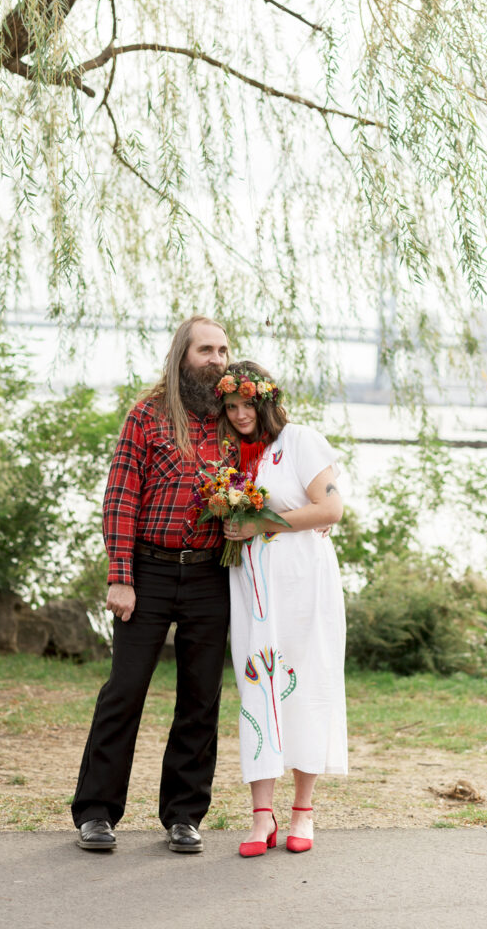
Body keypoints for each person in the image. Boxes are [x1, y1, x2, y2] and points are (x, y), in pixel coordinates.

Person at [71, 316, 231, 854]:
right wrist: (120, 577)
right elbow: (120, 498)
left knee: (200, 697)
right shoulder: (147, 414)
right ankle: (96, 813)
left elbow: (276, 472)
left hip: (212, 574)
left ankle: (184, 814)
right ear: (181, 356)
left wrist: (311, 510)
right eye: (206, 349)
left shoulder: (234, 420)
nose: (217, 359)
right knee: (125, 690)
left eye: (224, 350)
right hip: (150, 570)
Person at [216, 360, 347, 857]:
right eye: (231, 406)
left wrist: (261, 525)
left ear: (266, 400)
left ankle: (303, 811)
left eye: (247, 403)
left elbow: (330, 509)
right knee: (257, 687)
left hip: (303, 585)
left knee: (305, 686)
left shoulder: (300, 441)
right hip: (251, 587)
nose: (240, 413)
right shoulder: (234, 456)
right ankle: (260, 815)